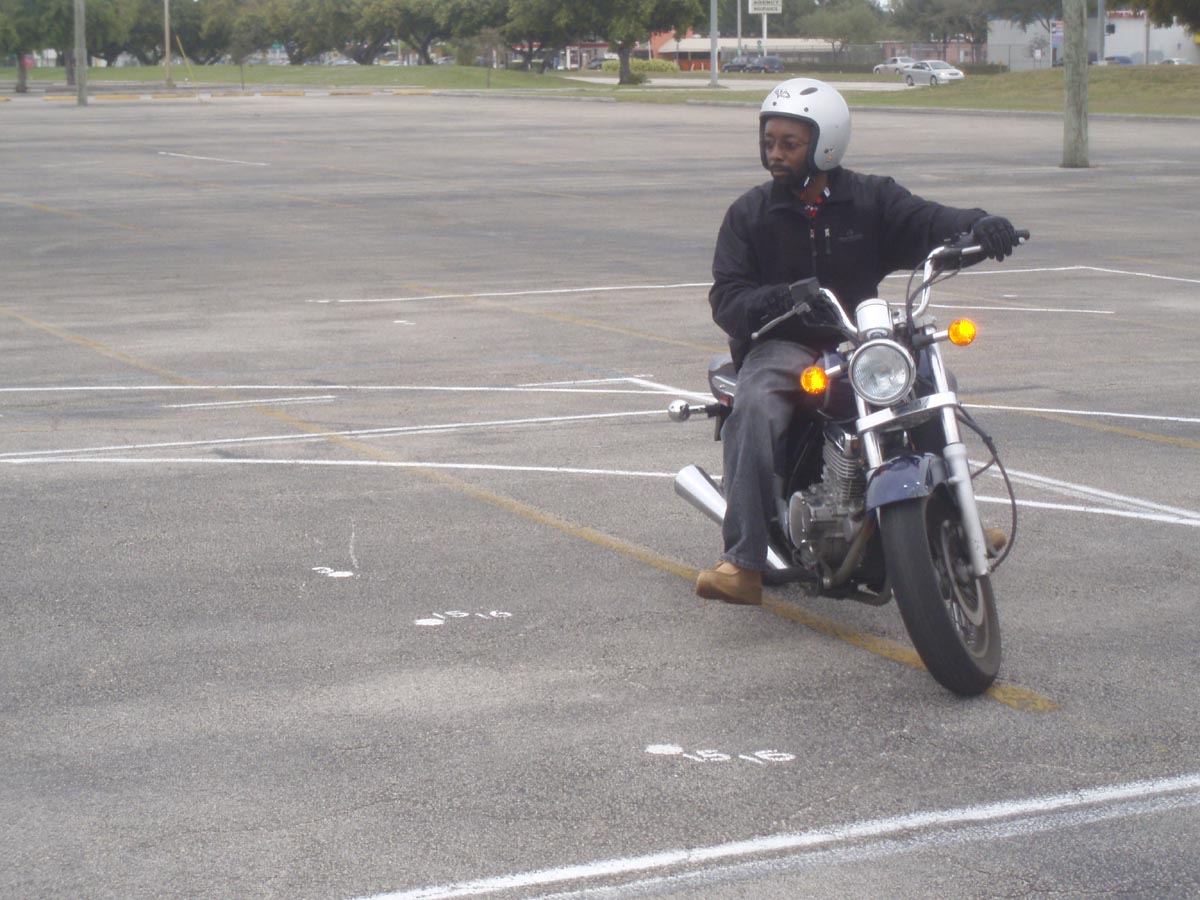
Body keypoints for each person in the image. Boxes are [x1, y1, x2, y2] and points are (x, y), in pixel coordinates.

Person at [696, 78, 1018, 606]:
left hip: (861, 339)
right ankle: (744, 561)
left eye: (789, 144)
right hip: (785, 345)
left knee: (933, 380)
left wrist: (980, 226)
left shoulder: (870, 198)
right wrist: (782, 299)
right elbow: (726, 298)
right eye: (769, 141)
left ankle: (959, 522)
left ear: (825, 145)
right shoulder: (750, 214)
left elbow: (928, 220)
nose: (775, 153)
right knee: (752, 407)